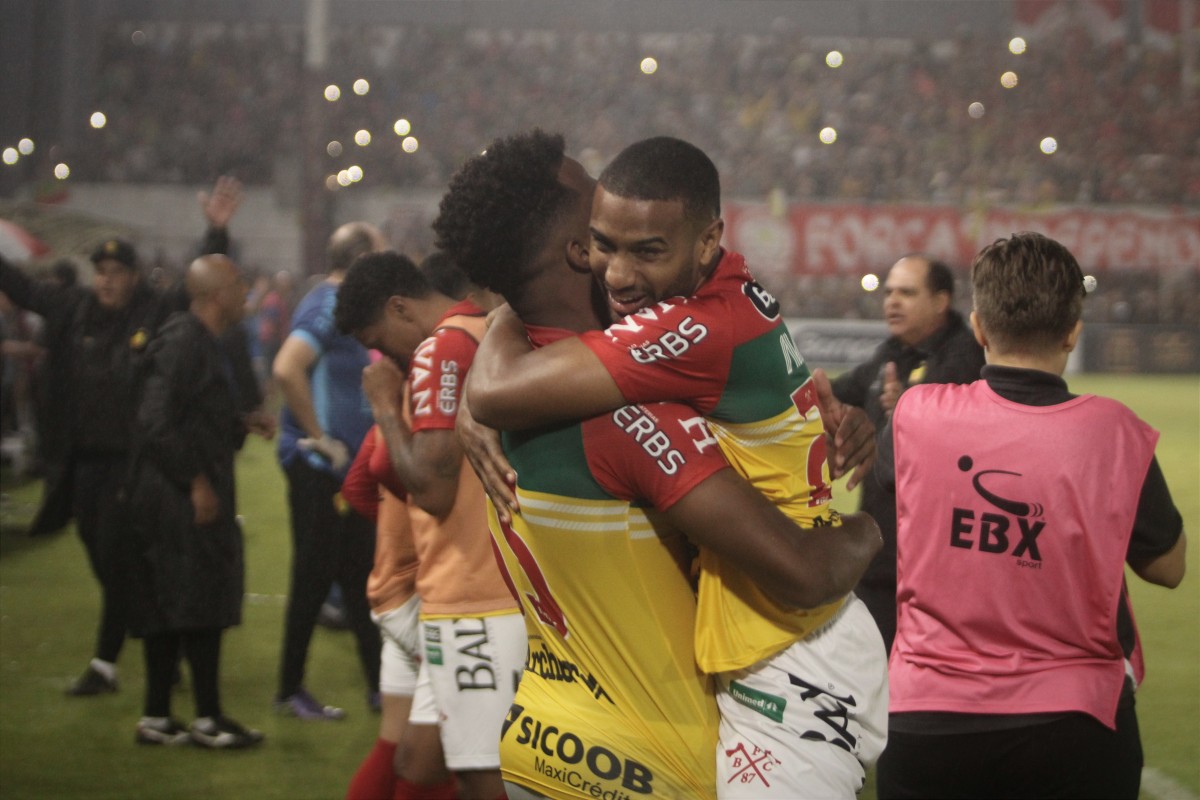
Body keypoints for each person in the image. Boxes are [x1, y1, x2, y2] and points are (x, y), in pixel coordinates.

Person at [434, 130, 882, 799]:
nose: (618, 255)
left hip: (542, 733)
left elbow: (504, 372)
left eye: (644, 245)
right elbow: (804, 571)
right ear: (581, 249)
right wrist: (870, 527)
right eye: (601, 226)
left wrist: (493, 353)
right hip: (646, 754)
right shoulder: (631, 416)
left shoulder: (548, 383)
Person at [874, 232, 1187, 799]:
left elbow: (893, 485)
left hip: (928, 716)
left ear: (979, 328)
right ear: (1073, 332)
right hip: (1073, 723)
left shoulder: (915, 414)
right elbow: (1168, 567)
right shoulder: (1114, 432)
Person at [0, 176, 245, 696]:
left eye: (116, 273)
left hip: (135, 462)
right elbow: (21, 288)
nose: (107, 281)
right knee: (104, 553)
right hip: (81, 461)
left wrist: (215, 234)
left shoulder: (151, 311)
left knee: (118, 555)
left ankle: (109, 662)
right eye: (101, 272)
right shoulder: (73, 308)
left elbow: (194, 287)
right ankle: (160, 645)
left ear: (134, 277)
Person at [335, 250, 522, 800]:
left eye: (380, 339)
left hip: (473, 592)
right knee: (419, 761)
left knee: (485, 778)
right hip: (476, 582)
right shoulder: (485, 329)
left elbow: (434, 491)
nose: (385, 355)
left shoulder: (442, 347)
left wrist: (384, 406)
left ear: (400, 307)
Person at [124, 254, 272, 748]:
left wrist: (239, 422)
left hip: (176, 490)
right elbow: (155, 419)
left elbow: (189, 414)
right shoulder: (185, 341)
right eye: (238, 283)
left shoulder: (201, 341)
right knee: (197, 597)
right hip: (174, 495)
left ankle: (159, 717)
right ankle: (206, 718)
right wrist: (196, 482)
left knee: (174, 600)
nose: (246, 291)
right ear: (215, 295)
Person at [830, 253, 985, 652]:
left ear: (941, 300)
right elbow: (838, 392)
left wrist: (911, 408)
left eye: (907, 293)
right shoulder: (890, 354)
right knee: (870, 672)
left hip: (940, 566)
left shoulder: (968, 359)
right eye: (889, 293)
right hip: (881, 558)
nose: (892, 302)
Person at [271, 221, 386, 719]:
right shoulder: (328, 304)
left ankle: (380, 687)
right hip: (319, 468)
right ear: (361, 261)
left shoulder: (343, 304)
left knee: (359, 578)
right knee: (314, 578)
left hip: (345, 472)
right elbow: (286, 367)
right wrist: (318, 436)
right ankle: (288, 690)